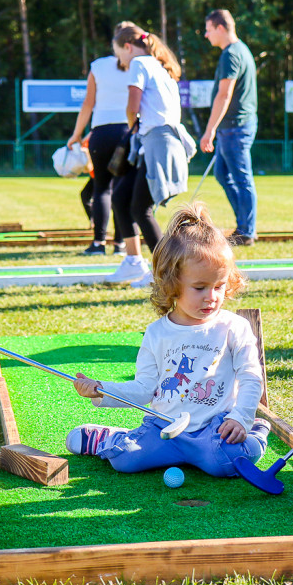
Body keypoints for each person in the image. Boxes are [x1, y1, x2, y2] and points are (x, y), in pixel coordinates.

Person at [67, 202, 271, 476]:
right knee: (125, 461)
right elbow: (144, 389)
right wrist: (101, 389)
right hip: (165, 427)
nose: (211, 296)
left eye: (219, 286)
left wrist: (241, 418)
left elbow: (250, 377)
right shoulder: (156, 333)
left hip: (214, 429)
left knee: (227, 462)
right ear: (172, 284)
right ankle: (107, 439)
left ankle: (256, 433)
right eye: (199, 288)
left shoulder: (234, 327)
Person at [105, 25, 196, 287]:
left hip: (158, 142)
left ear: (128, 47)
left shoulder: (140, 62)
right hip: (155, 142)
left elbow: (134, 101)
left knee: (139, 207)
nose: (119, 61)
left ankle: (164, 272)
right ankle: (134, 261)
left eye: (118, 54)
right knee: (121, 197)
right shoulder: (159, 65)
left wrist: (131, 122)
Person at [68, 22, 137, 256]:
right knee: (122, 189)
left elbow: (88, 104)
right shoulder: (139, 64)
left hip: (102, 133)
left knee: (101, 189)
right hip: (128, 131)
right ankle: (120, 244)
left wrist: (77, 134)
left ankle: (98, 244)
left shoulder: (98, 66)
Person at [200, 9, 259, 246]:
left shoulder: (231, 54)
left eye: (208, 29)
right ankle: (244, 225)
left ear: (221, 28)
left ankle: (247, 231)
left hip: (235, 127)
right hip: (235, 126)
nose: (206, 35)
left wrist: (209, 130)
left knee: (242, 178)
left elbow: (224, 95)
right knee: (222, 174)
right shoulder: (240, 49)